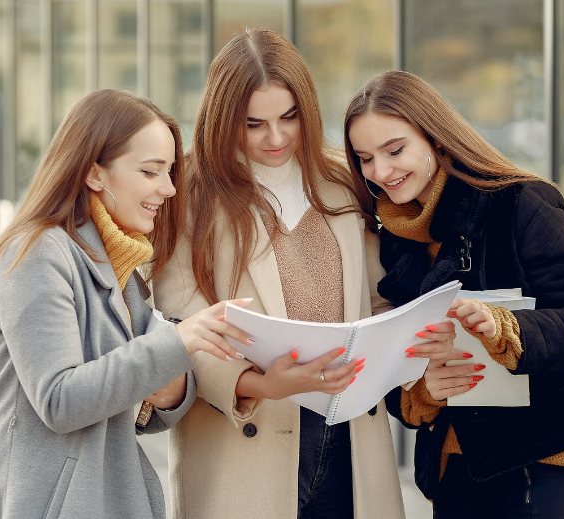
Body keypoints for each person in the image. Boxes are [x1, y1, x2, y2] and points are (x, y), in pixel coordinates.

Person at [152, 29, 425, 519]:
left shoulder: (346, 183)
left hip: (349, 436)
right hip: (246, 439)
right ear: (223, 118)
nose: (275, 138)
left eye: (289, 118)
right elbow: (180, 322)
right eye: (253, 124)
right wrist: (261, 385)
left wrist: (398, 344)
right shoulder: (188, 193)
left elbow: (378, 298)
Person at [343, 70, 564, 519]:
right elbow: (395, 359)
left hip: (550, 463)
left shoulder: (520, 203)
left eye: (395, 150)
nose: (380, 172)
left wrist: (505, 327)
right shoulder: (394, 239)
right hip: (456, 475)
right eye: (364, 158)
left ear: (436, 139)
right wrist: (423, 391)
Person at [0, 89, 250, 519]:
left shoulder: (121, 267)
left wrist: (171, 387)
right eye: (152, 172)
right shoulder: (36, 254)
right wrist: (177, 343)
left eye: (170, 171)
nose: (170, 188)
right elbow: (60, 401)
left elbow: (146, 403)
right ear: (95, 174)